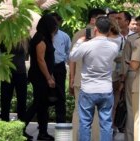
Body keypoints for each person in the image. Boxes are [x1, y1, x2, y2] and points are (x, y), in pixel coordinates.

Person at [69, 16, 119, 141]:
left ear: (95, 28)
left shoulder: (87, 45)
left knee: (85, 123)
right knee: (106, 123)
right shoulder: (114, 46)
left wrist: (80, 41)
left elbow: (72, 57)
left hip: (88, 89)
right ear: (109, 30)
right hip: (106, 89)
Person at [69, 8, 106, 141]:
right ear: (93, 19)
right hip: (97, 82)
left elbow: (71, 59)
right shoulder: (103, 36)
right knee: (96, 114)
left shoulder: (78, 34)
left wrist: (71, 79)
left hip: (80, 80)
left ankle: (74, 138)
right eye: (102, 18)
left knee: (78, 112)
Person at [24, 14, 58, 141]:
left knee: (42, 105)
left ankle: (43, 132)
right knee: (38, 104)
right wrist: (48, 77)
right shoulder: (40, 39)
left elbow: (48, 61)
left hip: (43, 75)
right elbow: (40, 60)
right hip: (39, 76)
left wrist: (51, 75)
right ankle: (21, 127)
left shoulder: (45, 38)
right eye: (53, 25)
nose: (55, 28)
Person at [119, 15, 140, 141]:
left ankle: (131, 138)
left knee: (131, 108)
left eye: (139, 24)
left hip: (132, 75)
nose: (137, 27)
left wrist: (122, 81)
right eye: (136, 24)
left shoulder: (132, 40)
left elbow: (125, 62)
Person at [0, 40, 29, 123]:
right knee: (5, 101)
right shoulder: (4, 38)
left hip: (21, 73)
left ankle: (22, 128)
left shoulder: (25, 39)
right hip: (7, 73)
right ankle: (4, 126)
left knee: (22, 102)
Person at [51, 12, 71, 123]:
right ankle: (42, 124)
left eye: (55, 22)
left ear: (60, 22)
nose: (53, 24)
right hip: (46, 68)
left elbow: (69, 52)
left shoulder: (64, 36)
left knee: (60, 95)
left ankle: (61, 121)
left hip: (59, 67)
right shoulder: (43, 36)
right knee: (43, 96)